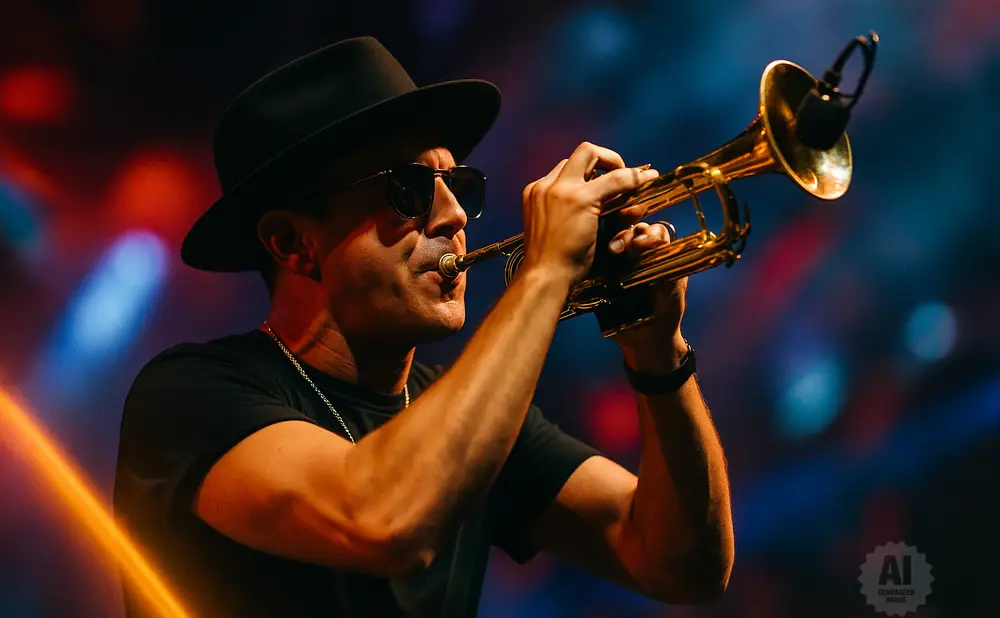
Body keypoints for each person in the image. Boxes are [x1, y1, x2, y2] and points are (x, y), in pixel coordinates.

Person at [112, 36, 734, 618]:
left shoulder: (471, 418)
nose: (456, 214)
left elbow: (682, 565)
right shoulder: (190, 395)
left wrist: (659, 354)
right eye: (408, 189)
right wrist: (543, 275)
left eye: (457, 183)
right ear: (293, 243)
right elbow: (380, 518)